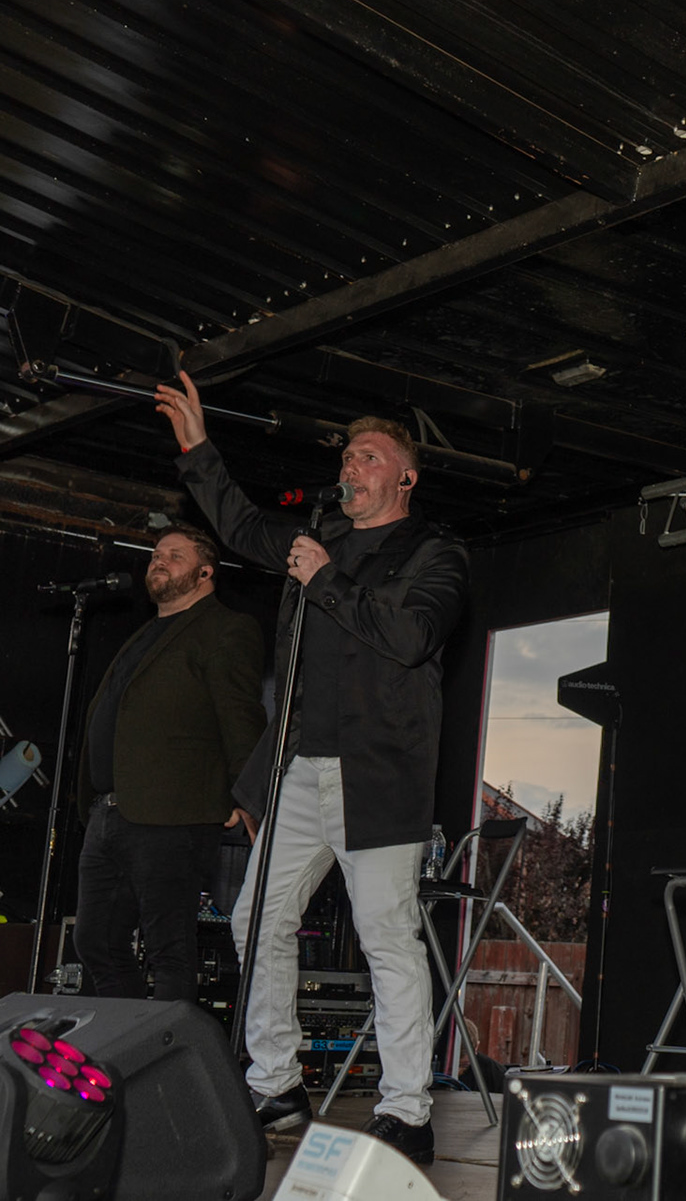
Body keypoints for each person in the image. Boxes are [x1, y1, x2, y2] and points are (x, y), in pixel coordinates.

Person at [155, 371, 468, 1167]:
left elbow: (412, 637)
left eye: (370, 456)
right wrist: (198, 448)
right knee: (254, 918)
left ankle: (407, 1109)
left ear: (405, 476)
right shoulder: (314, 535)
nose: (352, 465)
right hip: (300, 770)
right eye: (348, 456)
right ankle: (276, 1082)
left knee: (386, 936)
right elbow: (239, 523)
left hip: (379, 778)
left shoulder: (434, 552)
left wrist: (325, 577)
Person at [73, 524, 265, 1002]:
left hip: (174, 813)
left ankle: (171, 1048)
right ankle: (127, 1043)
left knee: (168, 949)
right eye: (156, 554)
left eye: (175, 555)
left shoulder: (225, 628)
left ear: (205, 573)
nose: (159, 561)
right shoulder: (147, 632)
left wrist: (248, 796)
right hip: (109, 810)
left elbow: (241, 716)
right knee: (95, 941)